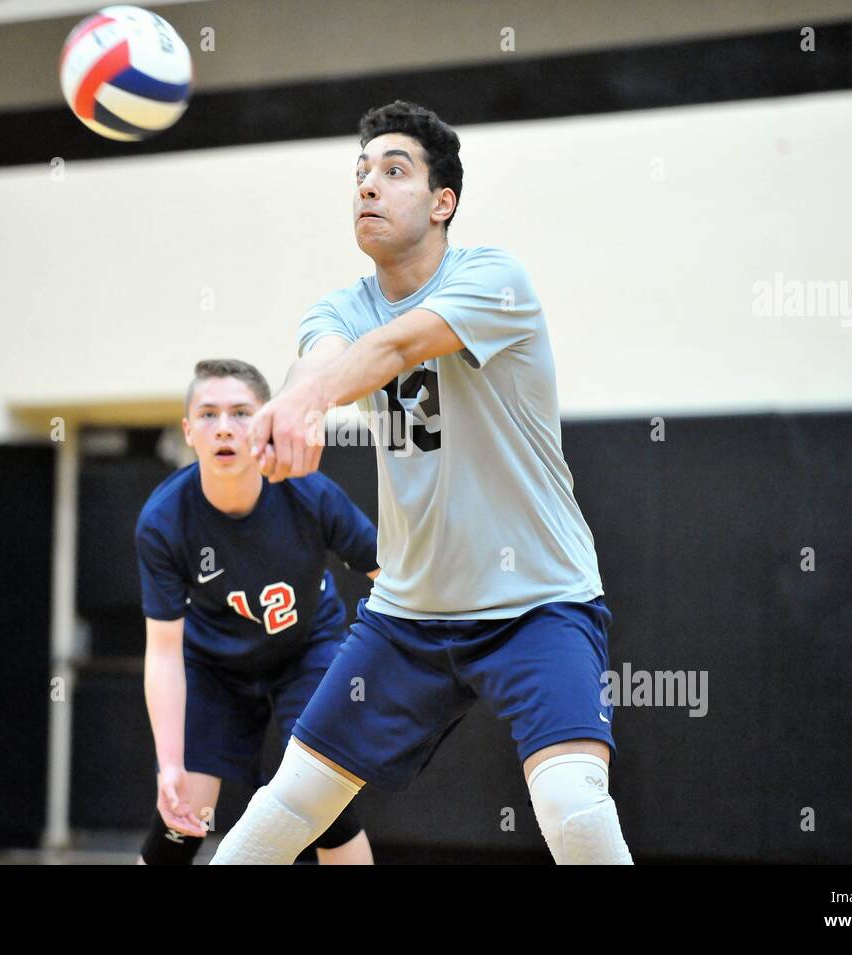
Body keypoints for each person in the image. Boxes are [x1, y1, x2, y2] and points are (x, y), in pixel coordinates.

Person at [210, 101, 632, 865]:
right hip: (410, 612)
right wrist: (295, 397)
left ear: (445, 203)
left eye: (394, 171)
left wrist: (304, 402)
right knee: (290, 801)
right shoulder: (338, 305)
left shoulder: (494, 279)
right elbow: (324, 355)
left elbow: (396, 346)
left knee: (572, 807)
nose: (369, 186)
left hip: (537, 599)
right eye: (361, 173)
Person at [135, 358, 378, 864]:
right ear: (188, 431)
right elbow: (162, 653)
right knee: (182, 817)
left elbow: (393, 579)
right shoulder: (164, 520)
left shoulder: (309, 493)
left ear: (265, 421)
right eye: (208, 414)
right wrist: (169, 765)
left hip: (305, 649)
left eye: (240, 412)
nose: (223, 426)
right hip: (214, 665)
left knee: (321, 803)